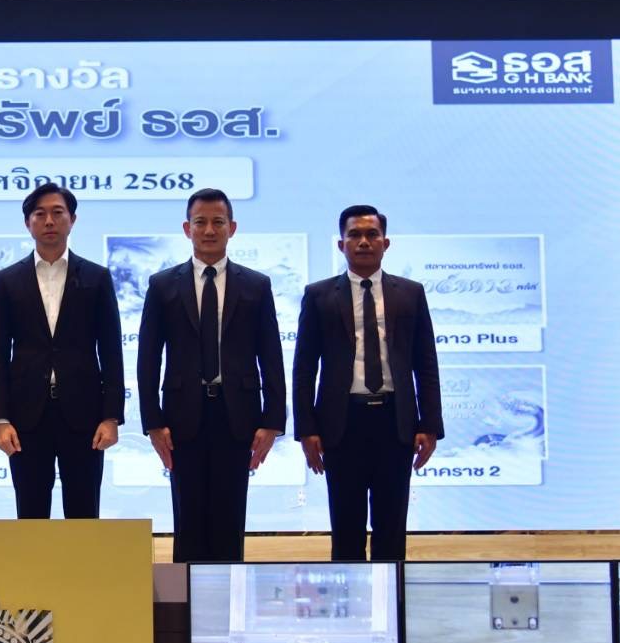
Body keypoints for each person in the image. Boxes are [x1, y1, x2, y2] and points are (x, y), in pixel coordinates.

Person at [137, 188, 286, 562]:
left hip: (238, 416)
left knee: (230, 518)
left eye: (217, 222)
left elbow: (271, 356)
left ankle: (228, 593)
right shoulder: (163, 285)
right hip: (181, 417)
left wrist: (272, 421)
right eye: (200, 222)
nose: (208, 230)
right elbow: (148, 359)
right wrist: (152, 421)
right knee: (187, 518)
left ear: (232, 228)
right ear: (186, 228)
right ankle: (188, 597)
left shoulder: (256, 285)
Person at [293, 204, 443, 561]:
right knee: (346, 527)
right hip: (342, 423)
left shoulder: (410, 293)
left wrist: (430, 425)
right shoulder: (319, 295)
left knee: (392, 527)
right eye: (355, 235)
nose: (363, 241)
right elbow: (304, 368)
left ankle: (390, 594)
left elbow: (426, 364)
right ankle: (349, 595)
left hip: (395, 422)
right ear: (341, 244)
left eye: (372, 234)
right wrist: (306, 429)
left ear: (385, 243)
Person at [0, 183, 124, 518]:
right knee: (31, 514)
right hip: (26, 417)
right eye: (40, 214)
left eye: (57, 212)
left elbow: (111, 352)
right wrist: (0, 419)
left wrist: (111, 416)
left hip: (84, 415)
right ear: (28, 223)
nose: (49, 221)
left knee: (84, 513)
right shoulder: (6, 280)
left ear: (72, 220)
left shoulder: (97, 277)